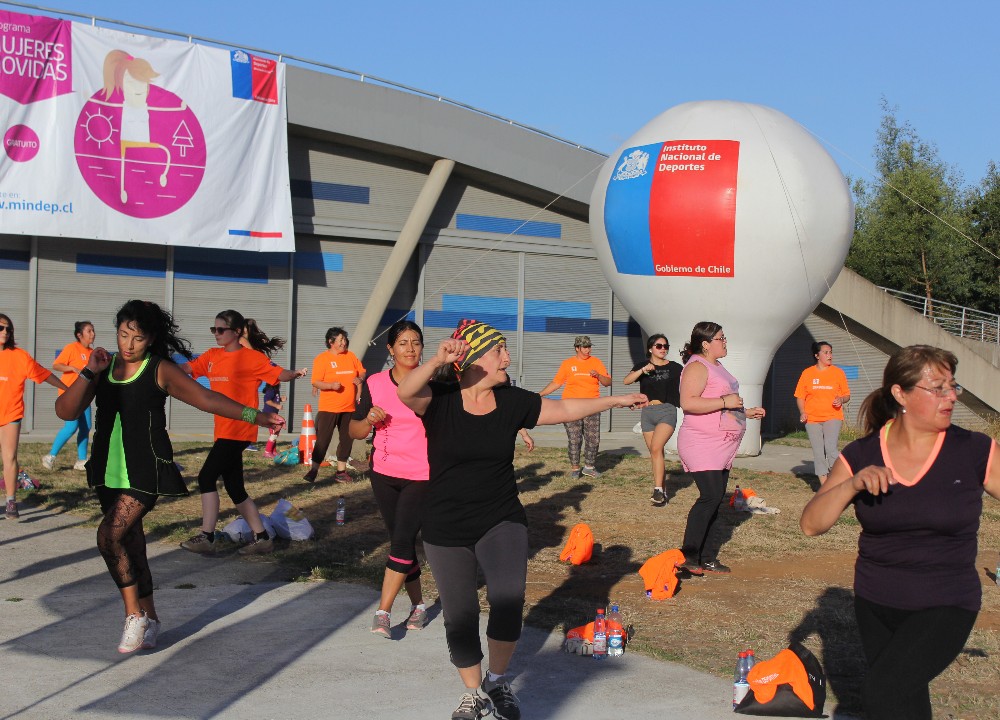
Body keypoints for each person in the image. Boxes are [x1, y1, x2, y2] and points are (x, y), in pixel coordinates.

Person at [398, 319, 646, 720]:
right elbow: (404, 390)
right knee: (459, 616)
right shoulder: (439, 398)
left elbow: (564, 407)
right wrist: (436, 360)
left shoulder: (512, 401)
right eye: (500, 350)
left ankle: (497, 681)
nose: (508, 358)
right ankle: (472, 693)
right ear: (476, 359)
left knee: (508, 602)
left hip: (501, 518)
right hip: (446, 526)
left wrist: (614, 401)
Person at [54, 300, 285, 653]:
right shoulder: (104, 365)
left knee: (108, 537)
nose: (128, 345)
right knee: (131, 545)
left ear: (151, 340)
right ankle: (152, 617)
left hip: (145, 470)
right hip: (105, 471)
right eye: (123, 335)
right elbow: (65, 410)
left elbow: (206, 398)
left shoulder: (159, 369)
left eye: (138, 338)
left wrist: (257, 416)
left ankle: (134, 616)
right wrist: (88, 371)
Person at [800, 345, 998, 720]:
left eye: (953, 387)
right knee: (903, 704)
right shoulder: (861, 454)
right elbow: (811, 525)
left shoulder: (974, 450)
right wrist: (852, 485)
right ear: (900, 393)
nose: (951, 396)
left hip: (946, 602)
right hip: (876, 603)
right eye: (938, 388)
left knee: (881, 692)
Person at [179, 310, 307, 555]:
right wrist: (158, 366)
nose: (216, 334)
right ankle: (262, 538)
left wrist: (295, 373)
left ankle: (207, 537)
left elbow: (279, 374)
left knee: (207, 477)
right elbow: (186, 368)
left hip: (240, 428)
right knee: (234, 486)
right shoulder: (212, 356)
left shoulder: (252, 358)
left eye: (220, 330)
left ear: (236, 332)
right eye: (213, 330)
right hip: (223, 429)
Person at [348, 320, 431, 638]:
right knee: (403, 543)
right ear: (391, 349)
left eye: (416, 342)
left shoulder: (433, 381)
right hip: (383, 473)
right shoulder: (375, 383)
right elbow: (354, 430)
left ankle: (382, 612)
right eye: (403, 343)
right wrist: (368, 419)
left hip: (421, 474)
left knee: (400, 542)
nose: (410, 348)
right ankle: (420, 605)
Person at [676, 322, 765, 575]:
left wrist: (745, 412)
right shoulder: (696, 366)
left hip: (722, 445)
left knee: (715, 502)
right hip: (702, 442)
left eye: (724, 337)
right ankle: (689, 556)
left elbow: (721, 404)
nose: (725, 342)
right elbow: (689, 403)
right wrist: (727, 400)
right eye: (721, 338)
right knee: (710, 497)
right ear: (706, 343)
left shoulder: (717, 366)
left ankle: (707, 557)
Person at [0, 313, 68, 520]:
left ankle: (10, 500)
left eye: (7, 329)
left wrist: (67, 389)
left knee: (9, 457)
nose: (4, 332)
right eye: (0, 328)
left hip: (11, 413)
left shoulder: (19, 356)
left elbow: (44, 374)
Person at [538, 335, 612, 479]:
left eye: (589, 346)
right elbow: (556, 383)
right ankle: (575, 468)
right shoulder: (567, 364)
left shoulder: (596, 362)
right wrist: (539, 394)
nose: (588, 349)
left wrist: (598, 376)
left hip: (592, 406)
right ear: (577, 348)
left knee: (593, 439)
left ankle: (589, 467)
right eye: (585, 347)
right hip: (570, 407)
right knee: (575, 439)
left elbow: (608, 382)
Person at [623, 334, 683, 506]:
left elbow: (689, 381)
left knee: (657, 447)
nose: (663, 349)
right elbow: (626, 381)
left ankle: (657, 490)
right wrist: (643, 370)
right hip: (648, 413)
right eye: (659, 346)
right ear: (650, 348)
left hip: (667, 410)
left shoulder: (675, 367)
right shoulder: (642, 366)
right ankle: (662, 491)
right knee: (656, 453)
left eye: (666, 346)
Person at [305, 326, 365, 484]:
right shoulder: (321, 359)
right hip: (329, 408)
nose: (344, 343)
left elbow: (361, 371)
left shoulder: (351, 356)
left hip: (349, 407)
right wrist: (331, 386)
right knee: (323, 440)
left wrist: (360, 379)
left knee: (347, 439)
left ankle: (341, 472)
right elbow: (316, 381)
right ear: (331, 342)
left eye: (345, 339)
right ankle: (314, 470)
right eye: (340, 340)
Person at [794, 341, 851, 485]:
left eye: (831, 352)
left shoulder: (838, 372)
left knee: (830, 448)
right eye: (826, 352)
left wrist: (841, 399)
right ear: (817, 355)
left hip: (833, 416)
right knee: (819, 453)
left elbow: (847, 395)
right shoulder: (807, 373)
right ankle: (825, 487)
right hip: (812, 418)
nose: (829, 355)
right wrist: (802, 412)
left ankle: (843, 475)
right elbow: (800, 396)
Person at [43, 321, 97, 472]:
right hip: (69, 396)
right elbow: (56, 365)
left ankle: (81, 460)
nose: (93, 334)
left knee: (86, 427)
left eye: (93, 331)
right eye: (89, 331)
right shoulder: (71, 348)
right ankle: (50, 456)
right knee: (72, 426)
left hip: (84, 397)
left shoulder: (92, 353)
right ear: (79, 335)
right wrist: (72, 368)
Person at [261, 381, 284, 458]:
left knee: (275, 433)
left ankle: (273, 451)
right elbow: (267, 400)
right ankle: (267, 451)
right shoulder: (271, 390)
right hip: (269, 415)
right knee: (274, 432)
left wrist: (280, 399)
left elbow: (273, 399)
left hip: (273, 414)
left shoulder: (275, 390)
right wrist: (277, 406)